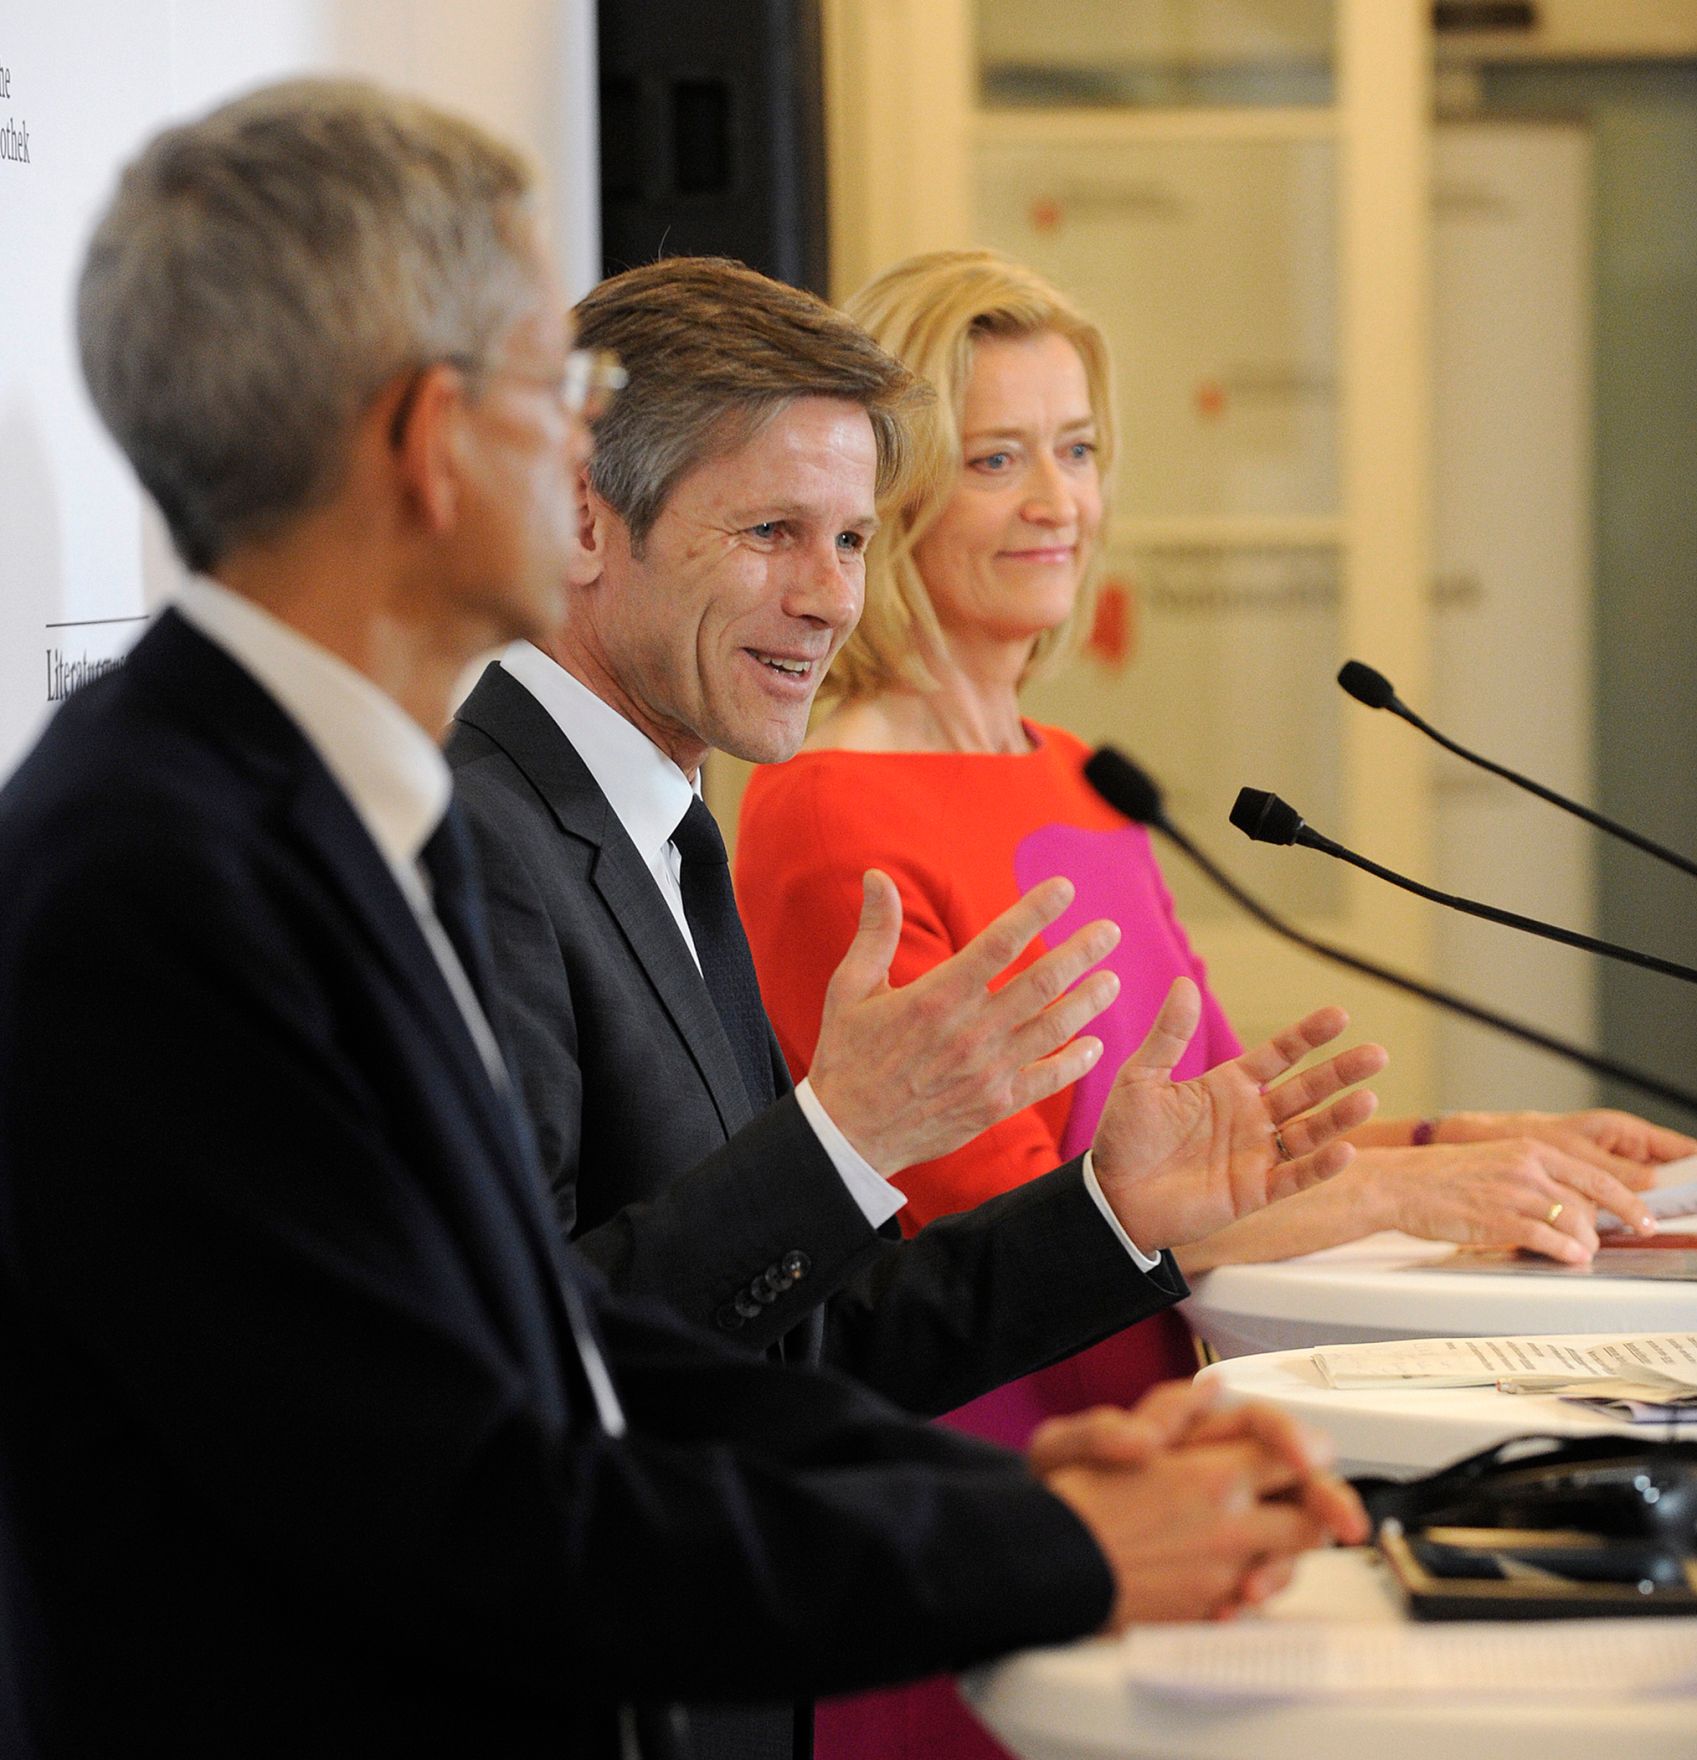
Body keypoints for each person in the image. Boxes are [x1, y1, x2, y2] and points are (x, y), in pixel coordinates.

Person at [0, 85, 1374, 1760]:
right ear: (433, 442)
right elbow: (480, 1501)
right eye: (558, 395)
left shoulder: (324, 808)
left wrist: (1005, 1487)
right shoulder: (163, 870)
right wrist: (1049, 1547)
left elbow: (559, 1346)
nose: (582, 450)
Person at [734, 247, 1683, 1760]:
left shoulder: (1071, 772)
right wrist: (1424, 1192)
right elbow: (1005, 1229)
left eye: (1078, 448)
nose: (1057, 500)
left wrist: (1471, 1139)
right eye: (997, 458)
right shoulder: (827, 806)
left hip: (1172, 1435)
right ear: (893, 493)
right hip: (1001, 1475)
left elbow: (1229, 1140)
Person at [443, 252, 1383, 1759]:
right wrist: (839, 1140)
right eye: (771, 533)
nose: (830, 597)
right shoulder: (477, 847)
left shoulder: (661, 831)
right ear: (580, 519)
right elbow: (526, 1371)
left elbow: (789, 1343)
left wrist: (1113, 1212)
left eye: (850, 538)